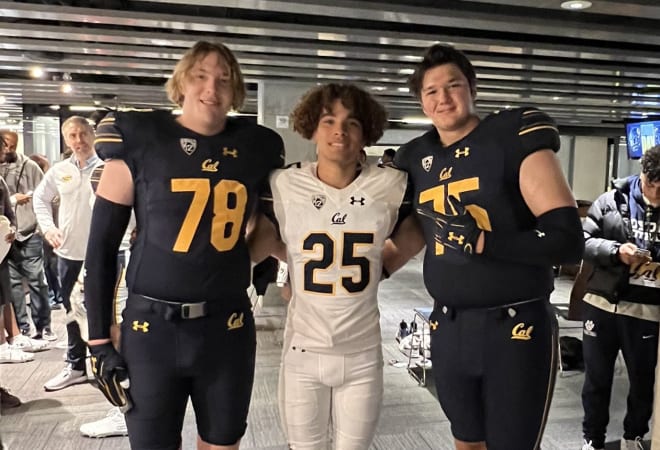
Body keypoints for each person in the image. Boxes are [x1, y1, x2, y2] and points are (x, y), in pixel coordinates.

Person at [84, 40, 284, 450]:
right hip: (152, 326)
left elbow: (268, 225)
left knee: (222, 442)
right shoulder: (139, 137)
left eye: (224, 79)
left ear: (236, 91)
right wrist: (99, 338)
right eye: (201, 76)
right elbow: (101, 247)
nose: (212, 88)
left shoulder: (256, 146)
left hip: (225, 325)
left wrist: (231, 265)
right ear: (181, 83)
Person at [393, 44, 584, 450]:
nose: (443, 98)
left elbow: (567, 242)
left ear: (472, 87)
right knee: (466, 440)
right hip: (447, 325)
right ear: (420, 101)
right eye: (431, 91)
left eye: (453, 85)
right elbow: (415, 230)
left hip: (513, 325)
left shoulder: (510, 136)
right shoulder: (416, 157)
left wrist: (486, 241)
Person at [251, 83, 422, 449]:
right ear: (311, 127)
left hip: (361, 353)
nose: (339, 131)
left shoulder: (392, 185)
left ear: (368, 133)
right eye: (328, 120)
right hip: (302, 352)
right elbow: (261, 243)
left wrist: (377, 267)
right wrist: (297, 263)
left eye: (352, 122)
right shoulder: (282, 184)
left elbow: (413, 238)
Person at [580, 145, 660, 450]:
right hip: (601, 304)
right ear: (641, 174)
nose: (653, 193)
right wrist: (616, 251)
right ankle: (592, 439)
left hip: (646, 311)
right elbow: (583, 242)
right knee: (597, 380)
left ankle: (633, 437)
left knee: (642, 383)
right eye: (649, 184)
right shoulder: (611, 200)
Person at [33, 116, 104, 391]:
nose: (79, 141)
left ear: (92, 135)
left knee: (103, 311)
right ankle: (75, 365)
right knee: (71, 311)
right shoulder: (60, 170)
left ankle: (103, 365)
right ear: (66, 139)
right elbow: (40, 199)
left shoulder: (108, 168)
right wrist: (49, 228)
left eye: (83, 134)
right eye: (72, 135)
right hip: (68, 254)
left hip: (104, 255)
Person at [0, 130, 54, 341]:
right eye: (5, 146)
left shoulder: (30, 167)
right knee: (11, 285)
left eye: (12, 145)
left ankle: (44, 326)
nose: (9, 150)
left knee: (37, 280)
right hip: (6, 238)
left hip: (30, 232)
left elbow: (45, 198)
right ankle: (23, 328)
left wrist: (45, 228)